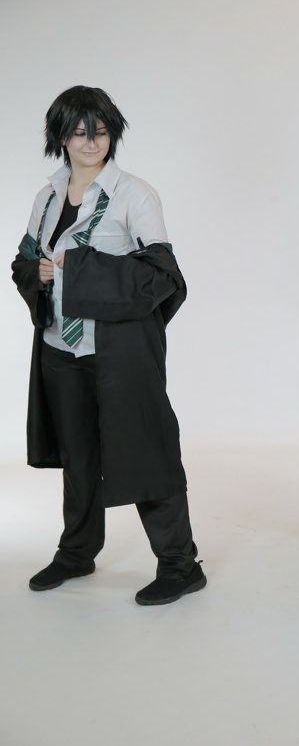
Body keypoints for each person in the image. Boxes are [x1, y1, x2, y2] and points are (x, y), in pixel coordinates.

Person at [12, 85, 206, 604]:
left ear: (112, 133)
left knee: (146, 451)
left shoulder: (134, 195)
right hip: (60, 347)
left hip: (118, 352)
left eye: (99, 131)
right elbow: (23, 262)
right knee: (78, 458)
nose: (90, 142)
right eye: (78, 132)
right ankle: (77, 552)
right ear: (61, 136)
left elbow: (162, 276)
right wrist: (39, 272)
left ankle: (180, 564)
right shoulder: (47, 197)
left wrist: (79, 269)